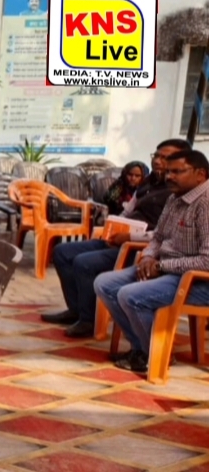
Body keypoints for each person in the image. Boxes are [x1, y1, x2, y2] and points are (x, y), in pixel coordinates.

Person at [42, 140, 189, 337]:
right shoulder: (148, 182)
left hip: (139, 247)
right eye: (156, 156)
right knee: (62, 252)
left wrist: (130, 236)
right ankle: (76, 309)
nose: (157, 161)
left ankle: (88, 320)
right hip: (121, 238)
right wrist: (113, 227)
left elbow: (164, 234)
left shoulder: (176, 191)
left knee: (84, 262)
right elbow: (128, 210)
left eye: (165, 158)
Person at [94, 150, 209, 373]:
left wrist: (160, 266)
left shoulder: (205, 204)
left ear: (200, 174)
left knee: (130, 295)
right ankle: (142, 348)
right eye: (168, 172)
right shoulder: (175, 198)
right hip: (168, 271)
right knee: (105, 284)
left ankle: (155, 355)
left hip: (197, 281)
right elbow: (157, 237)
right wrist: (148, 257)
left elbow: (207, 260)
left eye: (177, 172)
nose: (169, 177)